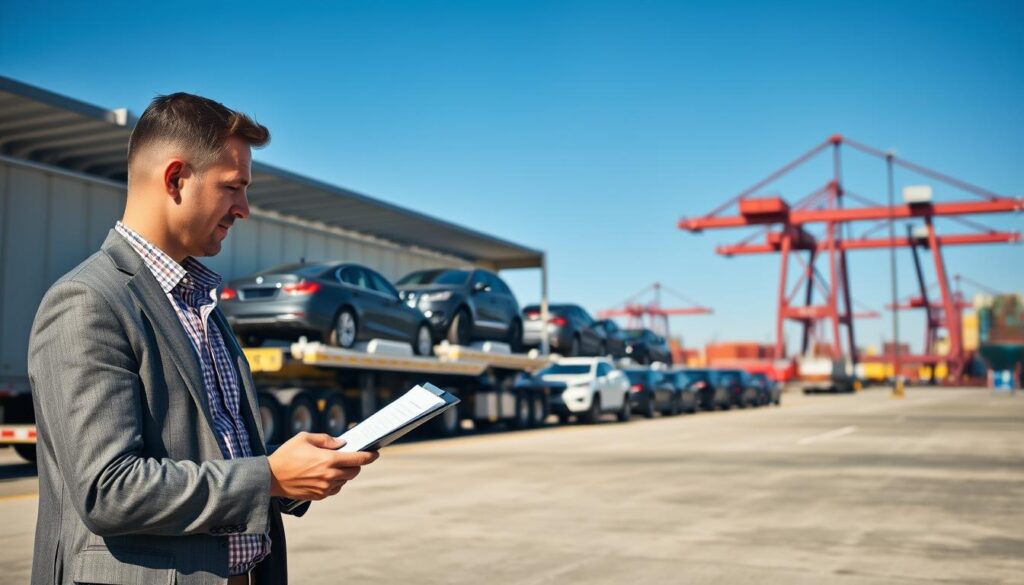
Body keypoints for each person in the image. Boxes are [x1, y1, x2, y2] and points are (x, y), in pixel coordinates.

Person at [28, 92, 378, 585]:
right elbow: (109, 490)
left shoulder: (200, 302)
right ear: (176, 179)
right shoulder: (88, 302)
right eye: (233, 187)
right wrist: (269, 476)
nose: (245, 209)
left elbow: (209, 455)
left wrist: (294, 476)